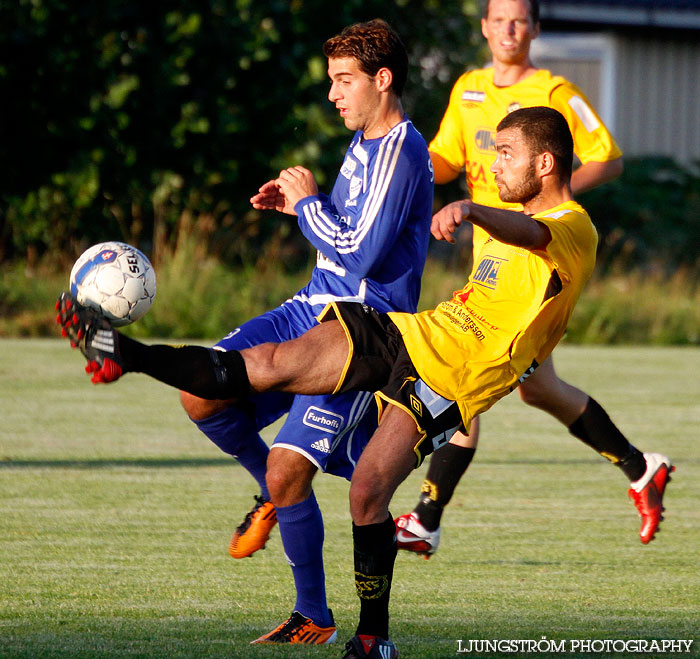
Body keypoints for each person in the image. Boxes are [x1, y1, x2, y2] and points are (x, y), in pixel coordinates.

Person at [57, 106, 662, 658]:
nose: (493, 163)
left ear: (546, 162)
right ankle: (123, 352)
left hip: (447, 388)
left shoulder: (572, 226)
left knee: (367, 494)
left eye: (505, 152)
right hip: (405, 333)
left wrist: (474, 209)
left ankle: (373, 637)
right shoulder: (512, 223)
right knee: (264, 365)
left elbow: (534, 239)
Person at [131, 20, 432, 646]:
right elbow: (344, 235)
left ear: (383, 80)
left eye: (344, 80)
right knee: (201, 392)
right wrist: (299, 208)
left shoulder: (402, 150)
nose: (333, 94)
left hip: (357, 335)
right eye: (331, 81)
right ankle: (269, 491)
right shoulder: (361, 143)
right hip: (307, 307)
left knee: (290, 473)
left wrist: (307, 206)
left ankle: (313, 615)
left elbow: (362, 254)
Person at [394, 0, 671, 557]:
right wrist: (396, 165)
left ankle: (425, 517)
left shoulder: (555, 92)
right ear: (484, 27)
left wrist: (549, 210)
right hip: (491, 257)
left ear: (536, 30)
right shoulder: (468, 88)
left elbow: (609, 160)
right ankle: (643, 469)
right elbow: (444, 158)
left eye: (520, 19)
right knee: (537, 387)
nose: (508, 29)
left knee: (468, 378)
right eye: (499, 19)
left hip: (538, 256)